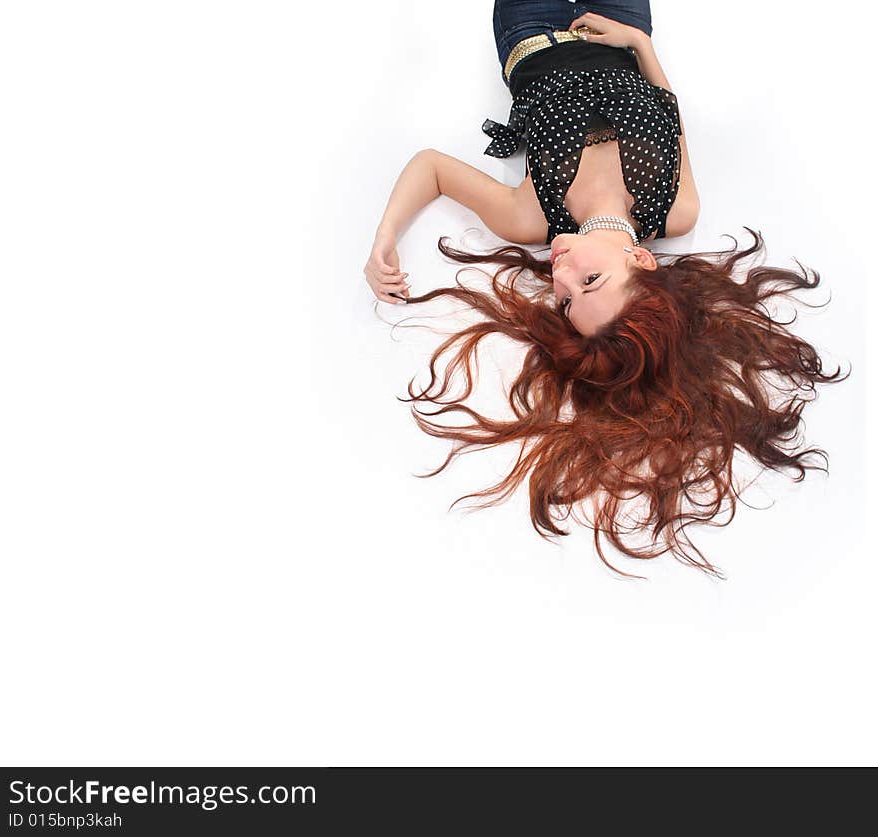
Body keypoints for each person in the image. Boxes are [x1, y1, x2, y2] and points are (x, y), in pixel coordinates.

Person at [361, 2, 848, 577]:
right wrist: (641, 45)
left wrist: (383, 239)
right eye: (590, 280)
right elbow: (670, 115)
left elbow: (432, 167)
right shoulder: (678, 210)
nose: (559, 273)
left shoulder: (530, 215)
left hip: (529, 26)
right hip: (616, 19)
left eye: (565, 300)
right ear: (642, 258)